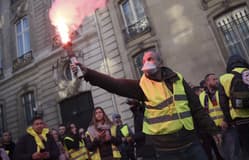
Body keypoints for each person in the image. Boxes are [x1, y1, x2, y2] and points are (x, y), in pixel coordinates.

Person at [71, 50, 220, 160]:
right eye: (143, 61)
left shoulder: (177, 80)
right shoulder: (141, 86)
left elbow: (197, 108)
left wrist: (213, 130)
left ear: (159, 63)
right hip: (166, 150)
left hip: (191, 143)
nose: (145, 62)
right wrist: (88, 73)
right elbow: (114, 85)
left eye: (149, 58)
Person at [200, 73, 241, 160]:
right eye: (214, 79)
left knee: (234, 153)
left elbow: (229, 107)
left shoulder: (221, 91)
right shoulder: (202, 96)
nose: (217, 81)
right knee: (224, 154)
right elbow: (203, 113)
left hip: (227, 127)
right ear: (207, 82)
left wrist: (226, 120)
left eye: (217, 79)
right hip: (215, 130)